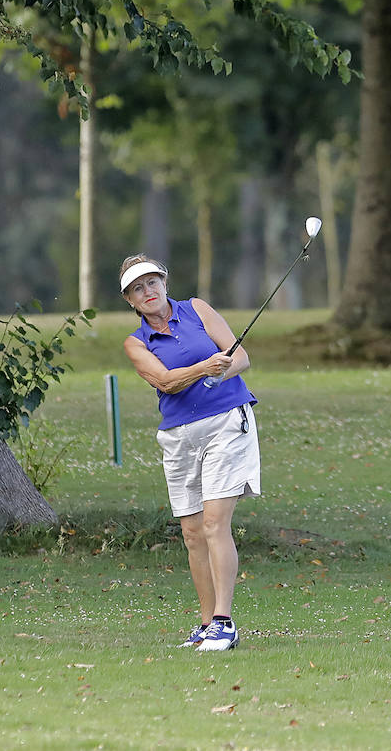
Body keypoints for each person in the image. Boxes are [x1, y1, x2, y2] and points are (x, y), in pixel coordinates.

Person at [118, 254, 258, 651]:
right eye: (137, 288)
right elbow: (164, 380)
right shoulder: (136, 343)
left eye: (152, 283)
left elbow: (240, 357)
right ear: (130, 300)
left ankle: (224, 621)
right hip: (178, 436)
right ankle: (205, 623)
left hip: (227, 423)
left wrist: (221, 372)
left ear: (165, 282)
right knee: (193, 532)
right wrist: (204, 369)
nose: (147, 292)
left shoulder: (197, 309)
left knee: (215, 523)